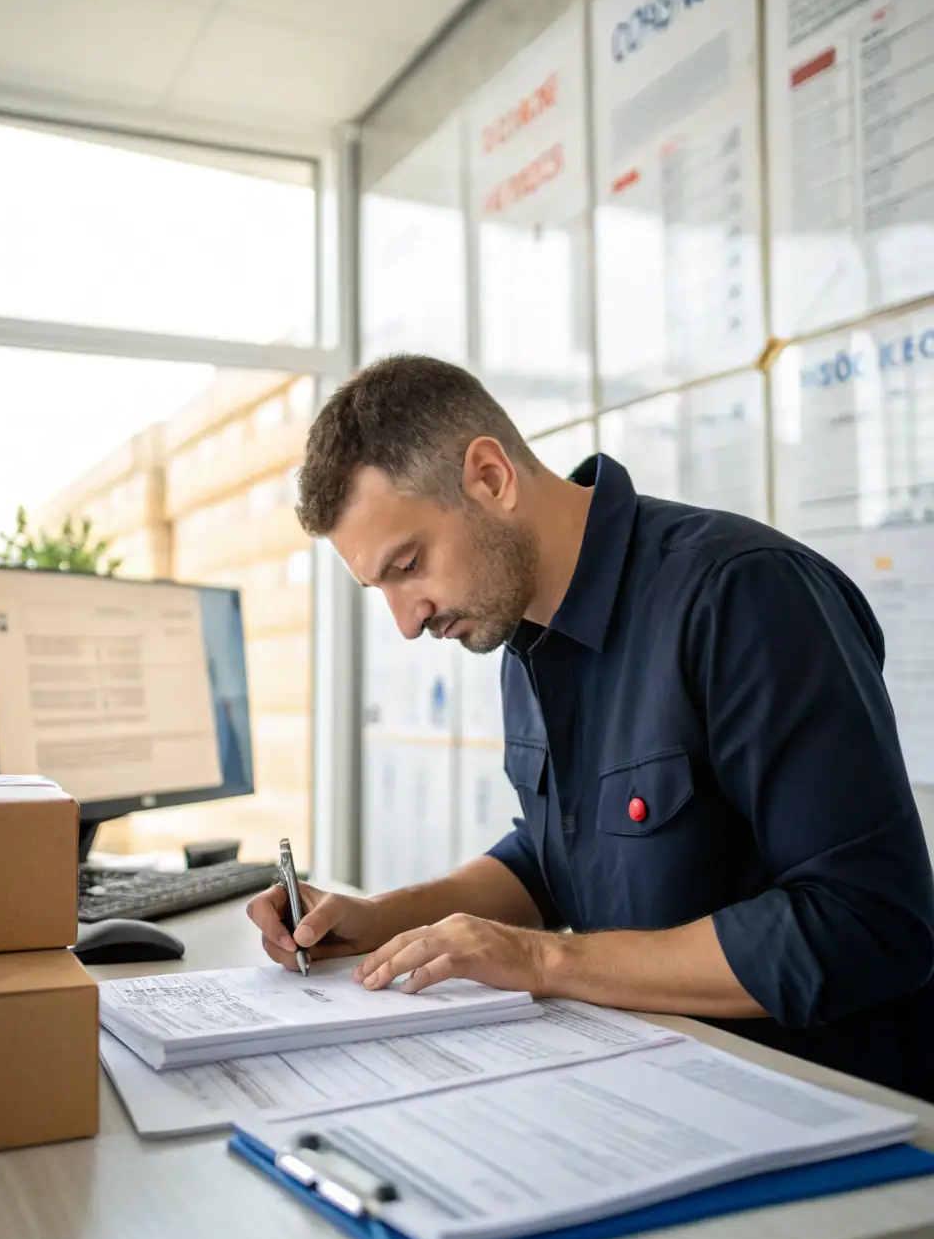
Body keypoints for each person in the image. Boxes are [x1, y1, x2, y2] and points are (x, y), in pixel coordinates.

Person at [248, 355, 934, 1099]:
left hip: (827, 1105)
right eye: (380, 587)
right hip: (651, 1086)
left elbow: (868, 923)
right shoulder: (521, 635)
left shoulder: (743, 596)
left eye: (408, 564)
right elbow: (556, 861)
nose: (407, 621)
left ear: (490, 476)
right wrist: (379, 919)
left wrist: (542, 961)